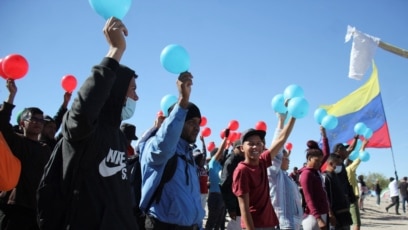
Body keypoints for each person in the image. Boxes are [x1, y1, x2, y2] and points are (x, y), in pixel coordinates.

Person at [37, 17, 140, 229]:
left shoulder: (119, 136)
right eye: (132, 90)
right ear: (116, 92)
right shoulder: (85, 129)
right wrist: (114, 52)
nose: (136, 98)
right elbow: (82, 111)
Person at [139, 71, 204, 230]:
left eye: (199, 123)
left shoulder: (188, 156)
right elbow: (165, 140)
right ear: (179, 121)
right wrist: (182, 102)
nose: (197, 127)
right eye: (191, 122)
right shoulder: (158, 148)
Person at [0, 81, 52, 230]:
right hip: (13, 207)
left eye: (41, 120)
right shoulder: (16, 141)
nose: (38, 123)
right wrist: (11, 95)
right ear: (22, 123)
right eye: (33, 120)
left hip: (36, 209)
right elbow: (2, 123)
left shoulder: (45, 149)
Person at [232, 113, 296, 230]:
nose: (255, 147)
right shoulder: (242, 171)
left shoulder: (262, 162)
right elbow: (244, 208)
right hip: (254, 225)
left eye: (258, 143)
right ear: (242, 148)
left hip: (268, 223)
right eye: (250, 144)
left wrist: (294, 115)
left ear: (262, 147)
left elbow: (281, 140)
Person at [267, 113, 303, 230]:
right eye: (286, 158)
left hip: (293, 224)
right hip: (282, 224)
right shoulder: (274, 174)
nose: (289, 161)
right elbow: (277, 147)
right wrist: (281, 121)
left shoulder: (287, 177)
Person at [299, 140, 329, 230]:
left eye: (320, 161)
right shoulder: (306, 174)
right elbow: (309, 199)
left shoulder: (316, 172)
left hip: (321, 214)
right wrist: (318, 218)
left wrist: (324, 136)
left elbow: (326, 154)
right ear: (309, 159)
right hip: (313, 217)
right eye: (316, 161)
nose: (319, 164)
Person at [206, 130, 229, 230]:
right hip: (214, 195)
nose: (222, 155)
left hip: (222, 196)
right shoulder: (213, 163)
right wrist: (225, 138)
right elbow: (220, 150)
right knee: (212, 221)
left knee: (220, 222)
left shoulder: (220, 165)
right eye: (220, 154)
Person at [323, 154, 352, 230]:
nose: (340, 166)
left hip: (343, 214)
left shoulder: (337, 176)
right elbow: (325, 198)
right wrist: (330, 214)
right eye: (338, 164)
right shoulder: (326, 177)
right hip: (335, 215)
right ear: (331, 163)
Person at [219, 139, 244, 230]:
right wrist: (231, 208)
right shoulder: (231, 161)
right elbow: (225, 185)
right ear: (237, 148)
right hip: (235, 205)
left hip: (241, 204)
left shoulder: (241, 160)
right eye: (241, 148)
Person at [345, 138, 368, 230]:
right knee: (356, 223)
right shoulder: (349, 170)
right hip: (352, 198)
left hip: (345, 198)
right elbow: (359, 159)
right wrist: (363, 146)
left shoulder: (342, 171)